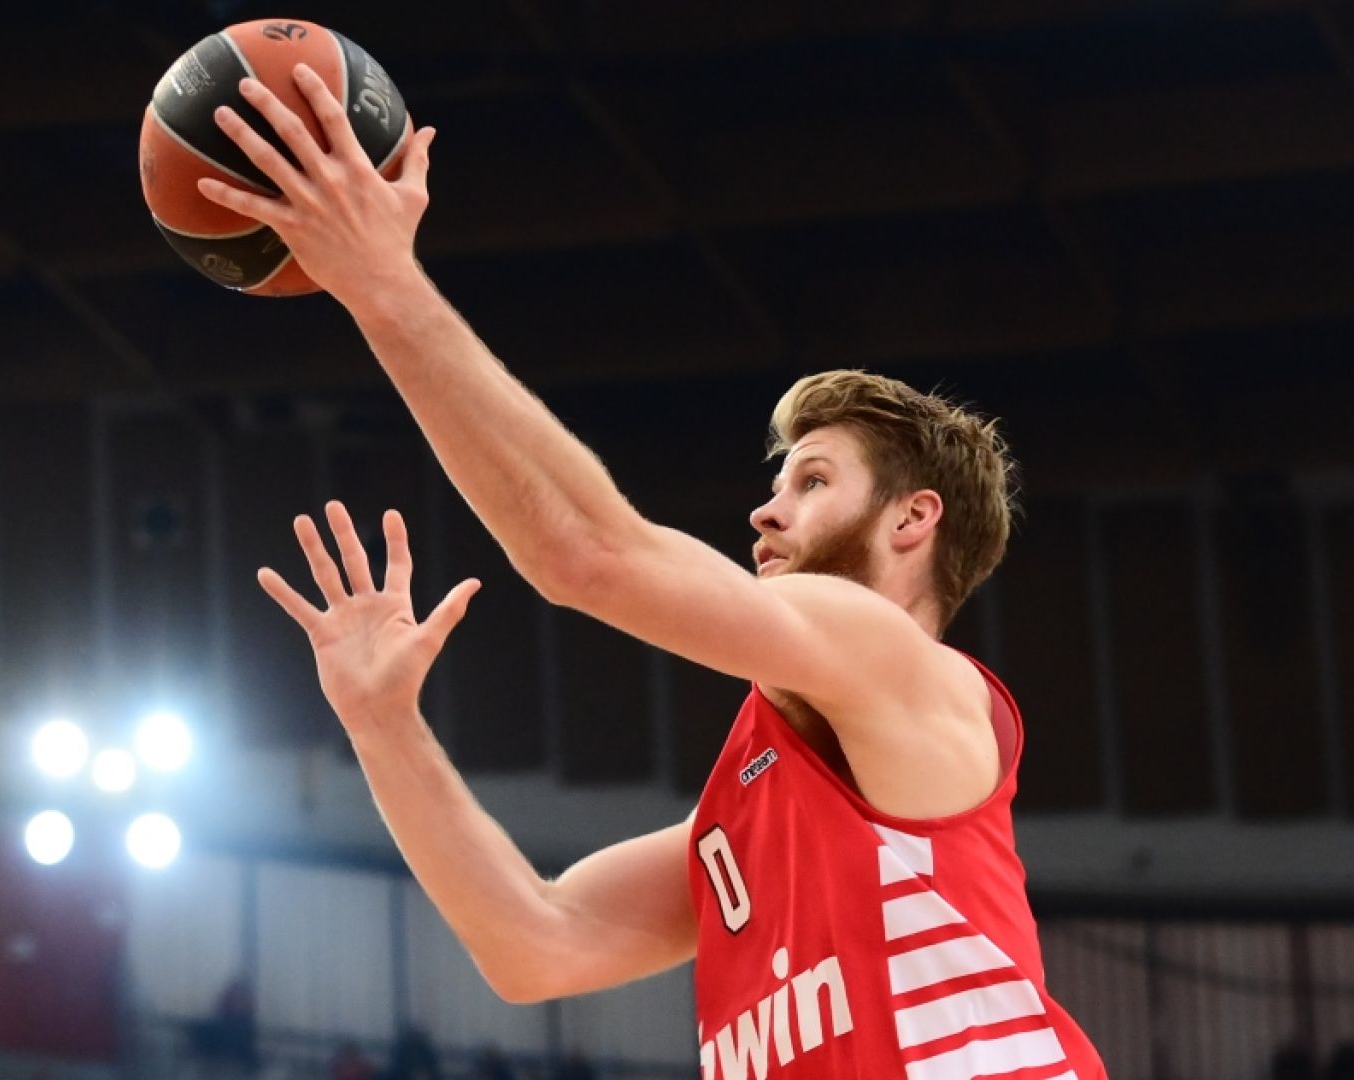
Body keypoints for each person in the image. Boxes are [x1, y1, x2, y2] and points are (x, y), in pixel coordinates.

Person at [209, 65, 1109, 1078]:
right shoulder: (748, 805)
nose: (766, 510)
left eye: (813, 480)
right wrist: (383, 725)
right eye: (778, 481)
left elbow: (589, 555)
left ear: (913, 519)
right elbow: (535, 946)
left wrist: (383, 285)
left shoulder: (892, 657)